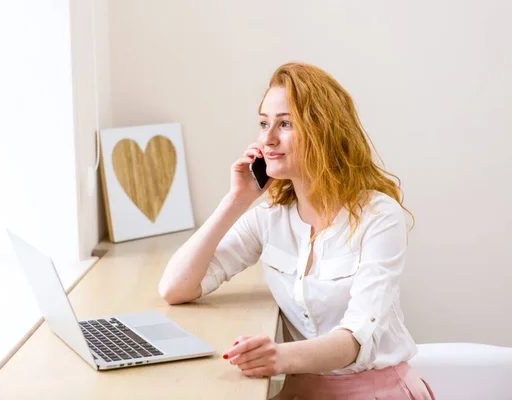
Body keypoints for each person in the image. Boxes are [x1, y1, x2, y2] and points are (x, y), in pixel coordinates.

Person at [158, 62, 435, 399]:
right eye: (263, 124)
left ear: (324, 130)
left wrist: (278, 357)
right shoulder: (269, 218)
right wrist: (235, 200)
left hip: (376, 391)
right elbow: (176, 288)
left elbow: (357, 337)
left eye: (285, 124)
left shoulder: (378, 216)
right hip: (301, 391)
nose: (268, 138)